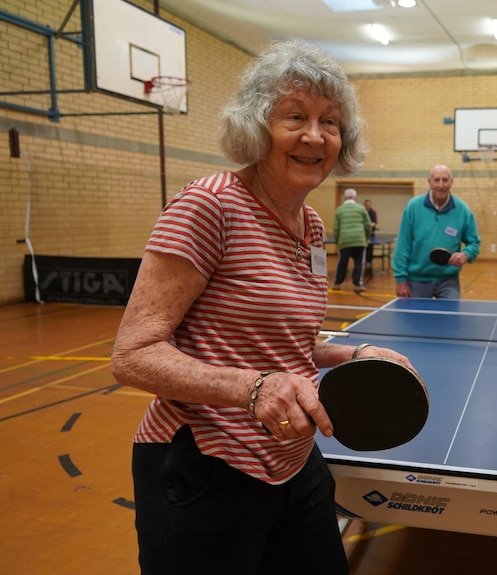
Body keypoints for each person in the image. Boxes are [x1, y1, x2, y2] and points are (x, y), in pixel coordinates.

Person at [110, 39, 414, 575]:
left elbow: (281, 342)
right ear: (256, 126)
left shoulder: (312, 226)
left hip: (292, 460)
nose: (314, 136)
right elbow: (133, 355)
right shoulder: (209, 205)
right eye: (294, 117)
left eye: (330, 121)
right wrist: (254, 389)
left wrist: (353, 354)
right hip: (205, 465)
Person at [392, 165, 480, 299]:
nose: (441, 185)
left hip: (449, 280)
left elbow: (474, 243)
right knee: (415, 320)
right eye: (437, 180)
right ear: (429, 182)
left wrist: (466, 254)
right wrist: (400, 279)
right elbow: (403, 245)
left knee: (450, 319)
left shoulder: (463, 210)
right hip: (417, 280)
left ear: (451, 182)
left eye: (445, 180)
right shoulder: (413, 207)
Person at [333, 188, 372, 292]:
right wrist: (366, 238)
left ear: (344, 198)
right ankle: (357, 285)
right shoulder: (361, 209)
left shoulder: (339, 210)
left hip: (344, 241)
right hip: (359, 241)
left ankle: (337, 284)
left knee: (342, 263)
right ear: (355, 198)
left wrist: (337, 241)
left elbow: (336, 228)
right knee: (359, 263)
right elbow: (368, 225)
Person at [364, 198, 378, 267]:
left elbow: (375, 222)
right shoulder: (363, 212)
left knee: (370, 248)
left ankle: (369, 261)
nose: (367, 205)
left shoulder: (373, 212)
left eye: (369, 204)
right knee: (364, 248)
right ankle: (364, 260)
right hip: (363, 234)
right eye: (366, 204)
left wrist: (369, 225)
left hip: (371, 233)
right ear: (364, 205)